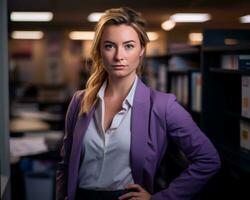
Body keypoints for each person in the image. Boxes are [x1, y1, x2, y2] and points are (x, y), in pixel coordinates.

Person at [56, 7, 221, 200]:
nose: (119, 56)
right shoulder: (79, 101)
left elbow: (208, 159)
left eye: (128, 46)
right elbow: (65, 164)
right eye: (109, 46)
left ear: (142, 49)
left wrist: (160, 198)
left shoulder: (163, 105)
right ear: (99, 51)